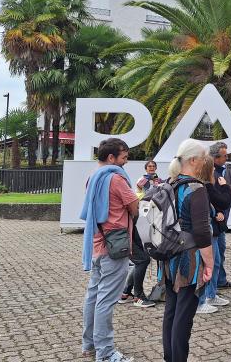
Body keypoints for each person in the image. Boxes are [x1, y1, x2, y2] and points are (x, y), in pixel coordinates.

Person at [80, 138, 139, 362]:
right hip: (115, 245)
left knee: (93, 296)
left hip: (97, 242)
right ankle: (105, 352)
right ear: (111, 157)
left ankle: (90, 344)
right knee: (106, 299)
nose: (126, 160)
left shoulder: (92, 178)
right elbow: (134, 206)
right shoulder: (116, 178)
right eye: (124, 156)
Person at [161, 139, 215, 362]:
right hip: (188, 260)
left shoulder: (169, 183)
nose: (205, 163)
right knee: (184, 315)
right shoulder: (196, 188)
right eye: (203, 158)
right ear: (193, 160)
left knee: (172, 311)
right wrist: (210, 263)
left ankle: (170, 357)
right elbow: (202, 231)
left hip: (167, 256)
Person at [121, 160, 162, 308]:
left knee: (141, 260)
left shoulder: (158, 180)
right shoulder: (142, 181)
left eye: (153, 166)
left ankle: (125, 292)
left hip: (135, 225)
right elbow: (143, 191)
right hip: (127, 228)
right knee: (143, 260)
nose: (151, 168)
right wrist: (152, 184)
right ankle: (138, 296)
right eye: (149, 167)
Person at [196, 155, 231, 314]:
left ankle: (210, 295)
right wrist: (225, 186)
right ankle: (201, 300)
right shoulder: (205, 185)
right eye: (212, 168)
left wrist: (216, 212)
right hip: (207, 230)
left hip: (213, 228)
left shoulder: (207, 184)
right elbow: (223, 201)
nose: (214, 170)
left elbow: (215, 204)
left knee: (215, 262)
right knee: (207, 264)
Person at [210, 142, 231, 290]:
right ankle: (211, 292)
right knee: (214, 257)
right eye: (225, 156)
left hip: (222, 218)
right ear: (215, 157)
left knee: (220, 251)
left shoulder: (223, 171)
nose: (227, 158)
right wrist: (217, 211)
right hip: (216, 219)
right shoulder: (211, 173)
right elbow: (212, 196)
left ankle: (220, 280)